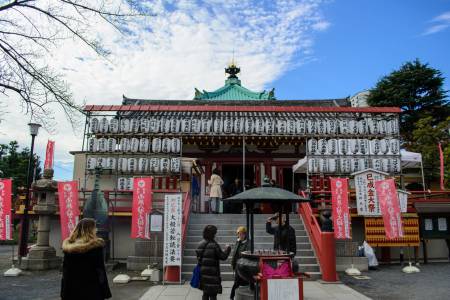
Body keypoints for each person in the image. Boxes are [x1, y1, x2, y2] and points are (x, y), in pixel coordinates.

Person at [61, 218, 111, 300]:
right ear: (90, 230)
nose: (96, 230)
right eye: (95, 228)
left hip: (72, 290)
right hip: (92, 290)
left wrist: (63, 293)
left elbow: (65, 272)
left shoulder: (68, 248)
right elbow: (100, 271)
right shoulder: (95, 247)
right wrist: (105, 291)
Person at [196, 225, 231, 300]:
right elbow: (223, 257)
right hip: (213, 274)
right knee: (213, 295)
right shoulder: (214, 245)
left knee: (205, 293)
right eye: (215, 233)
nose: (215, 235)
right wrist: (227, 249)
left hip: (203, 273)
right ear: (212, 234)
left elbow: (198, 258)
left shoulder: (200, 244)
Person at [230, 226, 249, 300]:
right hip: (238, 266)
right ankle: (231, 297)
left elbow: (246, 253)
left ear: (245, 234)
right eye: (239, 234)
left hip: (244, 266)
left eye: (242, 234)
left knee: (245, 282)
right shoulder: (238, 242)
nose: (240, 236)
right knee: (237, 282)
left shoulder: (247, 243)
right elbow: (235, 254)